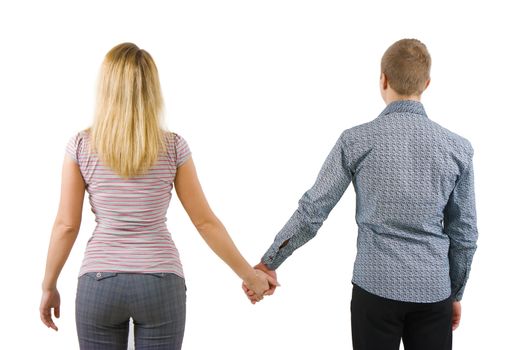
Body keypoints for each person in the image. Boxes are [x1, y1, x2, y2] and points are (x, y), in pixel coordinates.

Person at [243, 39, 478, 350]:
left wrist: (270, 261)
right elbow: (465, 235)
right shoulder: (458, 149)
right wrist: (455, 292)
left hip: (374, 290)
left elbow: (313, 211)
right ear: (427, 83)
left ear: (383, 80)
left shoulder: (355, 141)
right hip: (433, 292)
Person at [39, 42, 275, 350]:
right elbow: (205, 222)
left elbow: (66, 225)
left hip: (99, 284)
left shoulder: (81, 146)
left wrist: (48, 286)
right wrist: (250, 276)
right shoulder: (173, 146)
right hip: (161, 282)